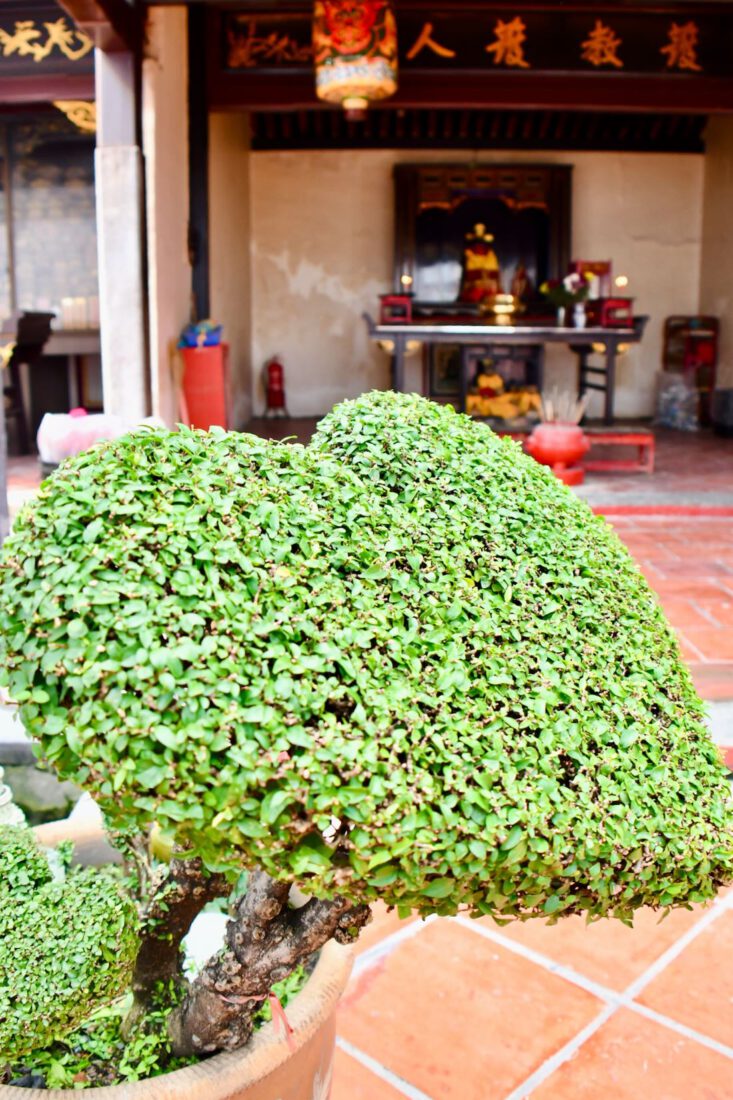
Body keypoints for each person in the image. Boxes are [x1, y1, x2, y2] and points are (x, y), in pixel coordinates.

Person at [459, 223, 502, 304]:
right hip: (474, 291)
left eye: (481, 242)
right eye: (477, 242)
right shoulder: (469, 253)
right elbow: (469, 279)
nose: (480, 246)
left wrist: (488, 282)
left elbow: (494, 277)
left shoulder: (490, 254)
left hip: (490, 291)